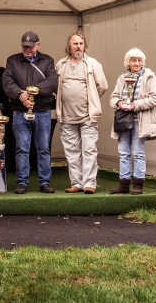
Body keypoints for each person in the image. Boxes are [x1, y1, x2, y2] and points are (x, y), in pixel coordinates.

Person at [2, 30, 58, 194]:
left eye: (30, 47)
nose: (27, 50)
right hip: (20, 112)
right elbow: (7, 82)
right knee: (22, 148)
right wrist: (21, 96)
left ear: (38, 45)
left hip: (42, 111)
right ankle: (22, 182)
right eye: (24, 47)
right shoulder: (12, 61)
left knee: (43, 149)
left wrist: (33, 92)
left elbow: (52, 82)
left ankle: (44, 182)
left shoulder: (47, 60)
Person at [55, 32, 109, 194]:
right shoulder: (60, 64)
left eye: (81, 43)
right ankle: (76, 183)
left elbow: (103, 86)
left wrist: (90, 100)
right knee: (72, 152)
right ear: (69, 46)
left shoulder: (93, 64)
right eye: (75, 44)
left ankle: (89, 184)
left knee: (89, 150)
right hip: (66, 116)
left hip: (88, 116)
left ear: (84, 46)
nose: (78, 46)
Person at [108, 48, 156, 195]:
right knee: (123, 152)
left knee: (138, 152)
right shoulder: (122, 78)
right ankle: (123, 184)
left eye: (139, 60)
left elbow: (155, 98)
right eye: (133, 60)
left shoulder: (150, 77)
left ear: (143, 62)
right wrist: (119, 103)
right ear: (128, 62)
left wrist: (134, 105)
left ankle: (138, 184)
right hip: (123, 120)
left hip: (140, 120)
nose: (137, 63)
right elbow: (112, 98)